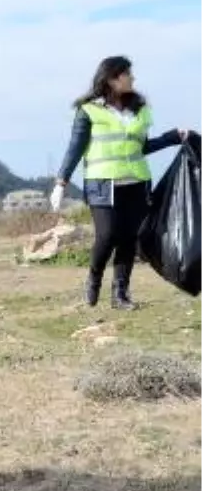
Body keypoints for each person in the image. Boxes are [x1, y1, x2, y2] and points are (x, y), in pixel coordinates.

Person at [51, 55, 190, 309]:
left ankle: (120, 294)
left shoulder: (139, 109)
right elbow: (75, 148)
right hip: (102, 184)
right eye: (128, 74)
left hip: (136, 183)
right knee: (107, 235)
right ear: (113, 78)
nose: (133, 78)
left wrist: (173, 137)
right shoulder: (89, 110)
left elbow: (142, 146)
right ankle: (94, 279)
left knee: (129, 238)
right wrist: (61, 182)